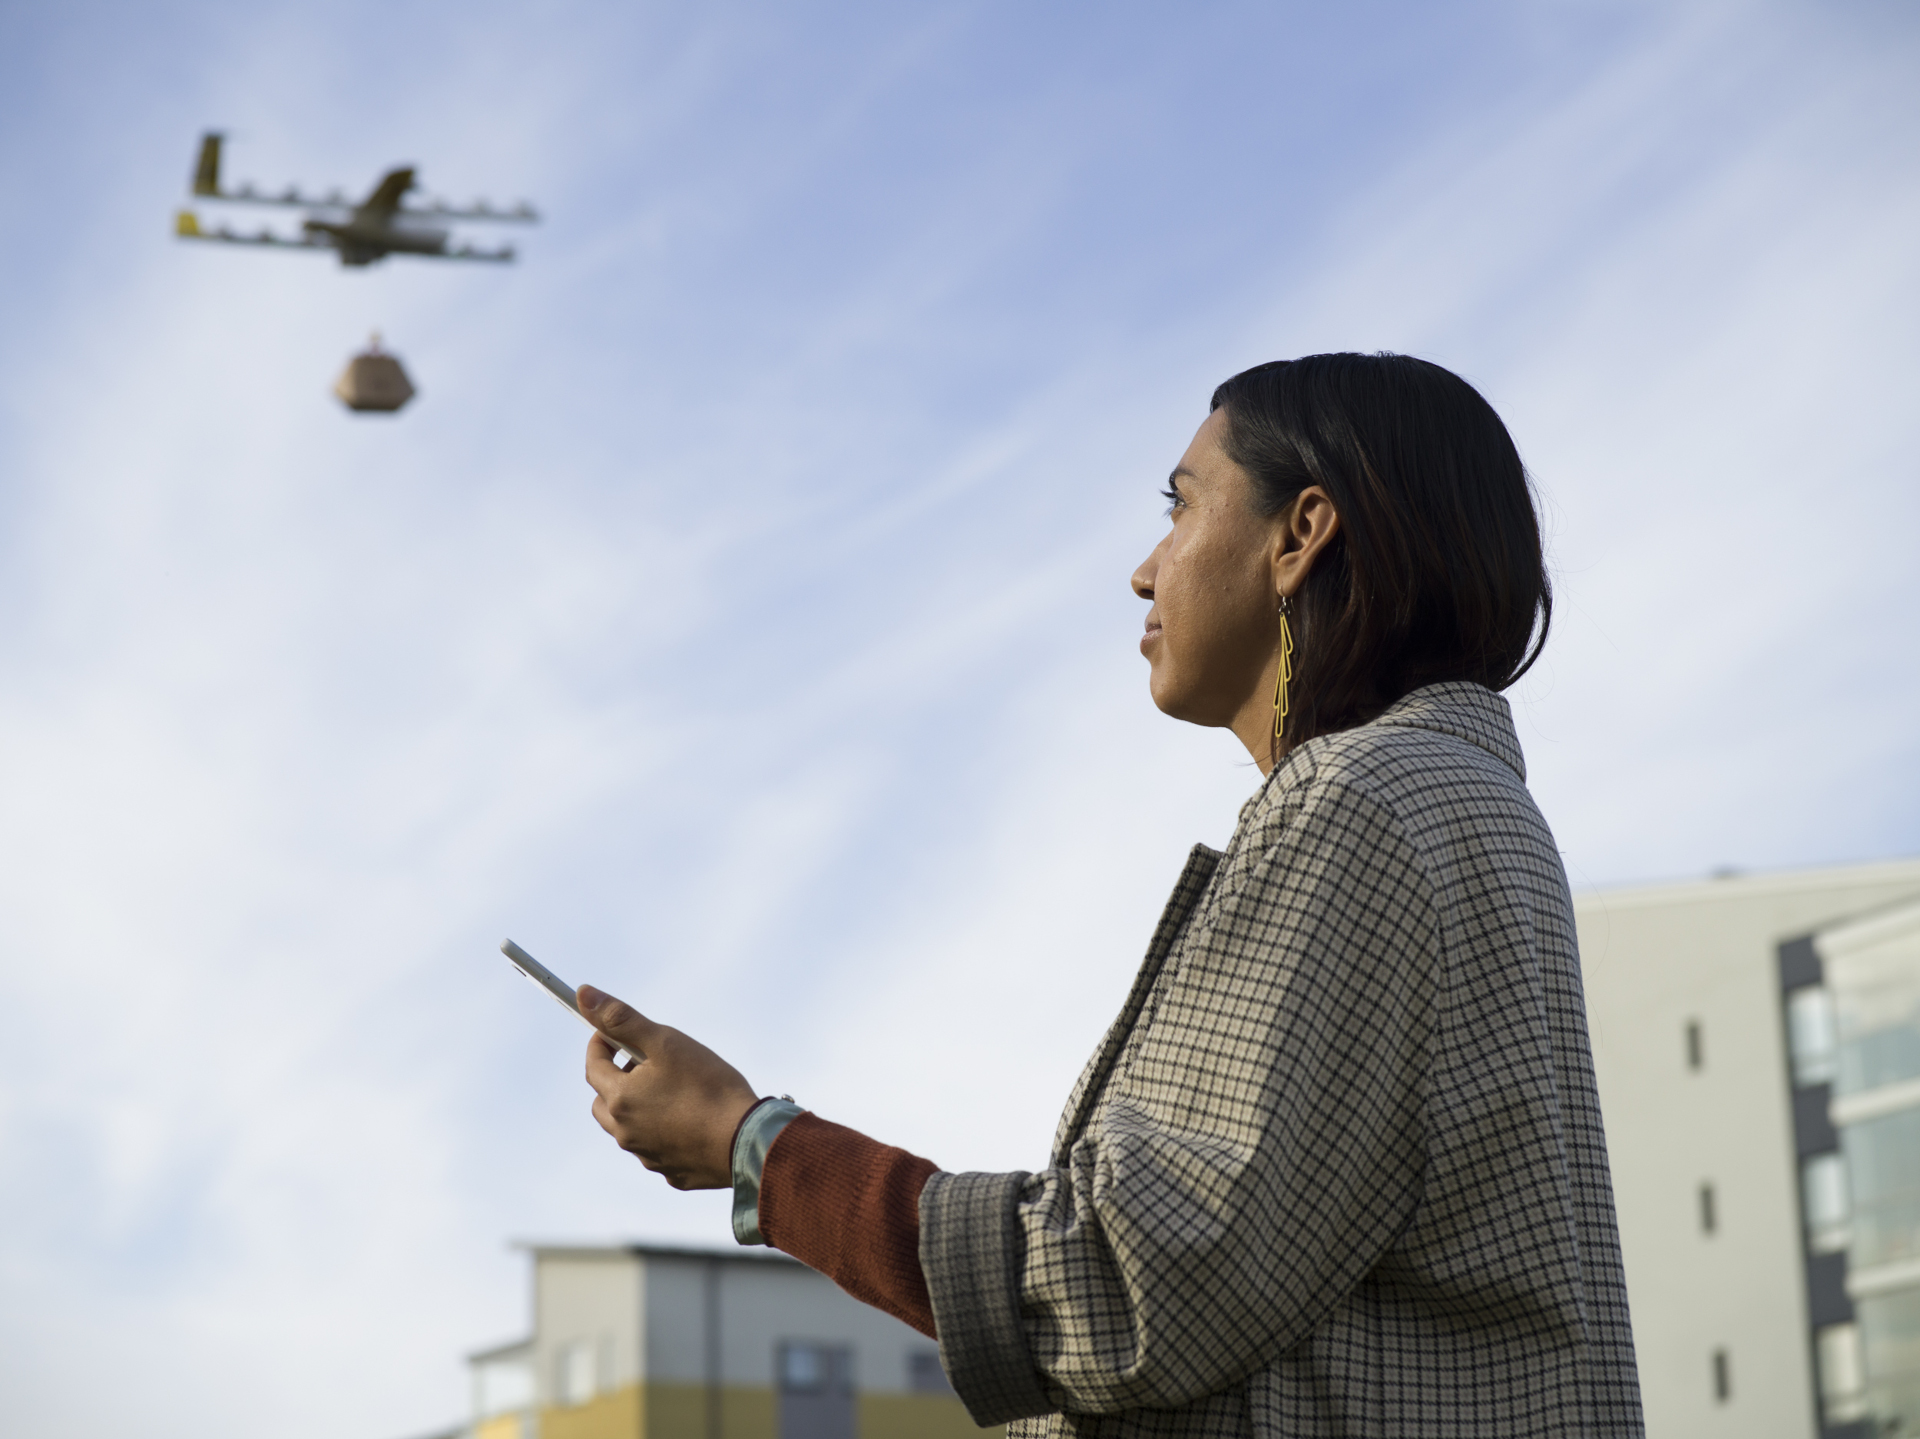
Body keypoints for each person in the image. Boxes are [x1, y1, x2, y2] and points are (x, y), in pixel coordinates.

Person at [575, 352, 1644, 1438]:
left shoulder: (1361, 799)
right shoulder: (1452, 806)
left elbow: (1128, 1282)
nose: (1144, 570)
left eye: (1180, 506)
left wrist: (753, 1145)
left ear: (1300, 533)